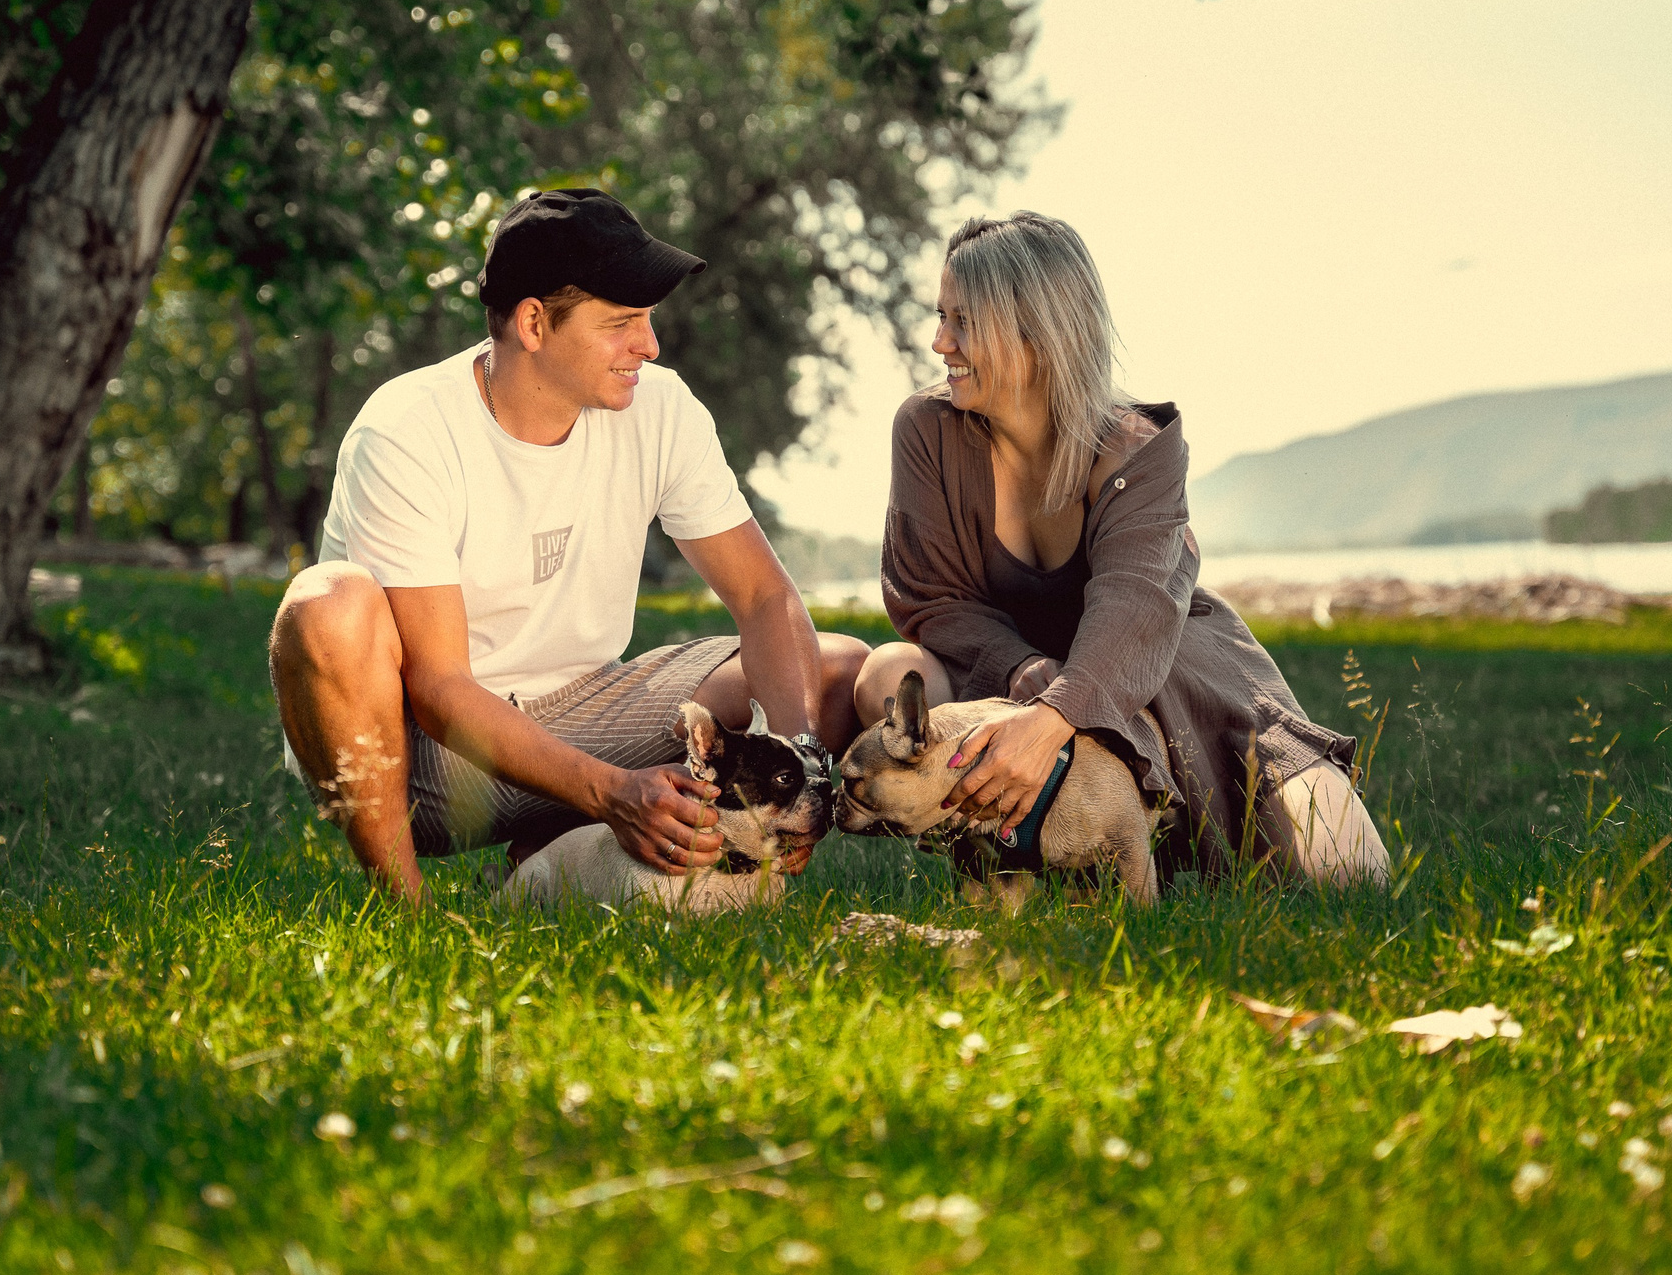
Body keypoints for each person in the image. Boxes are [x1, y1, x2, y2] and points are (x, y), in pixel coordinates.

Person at [270, 188, 870, 903]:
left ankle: (547, 862)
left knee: (833, 670)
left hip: (590, 709)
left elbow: (765, 596)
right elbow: (439, 690)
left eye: (646, 320)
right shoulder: (406, 431)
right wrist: (613, 791)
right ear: (532, 322)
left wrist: (798, 754)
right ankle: (408, 913)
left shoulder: (661, 406)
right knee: (326, 605)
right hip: (431, 762)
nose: (648, 345)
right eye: (622, 323)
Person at [855, 210, 1389, 886]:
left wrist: (1054, 716)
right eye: (941, 316)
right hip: (1007, 678)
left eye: (962, 321)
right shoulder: (925, 429)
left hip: (1158, 668)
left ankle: (1125, 833)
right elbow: (933, 600)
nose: (939, 342)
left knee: (1354, 873)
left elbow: (1133, 604)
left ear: (1038, 334)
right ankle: (1010, 846)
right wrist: (1023, 673)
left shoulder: (1140, 447)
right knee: (888, 670)